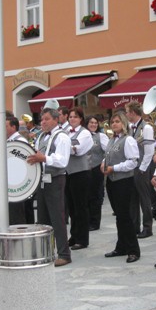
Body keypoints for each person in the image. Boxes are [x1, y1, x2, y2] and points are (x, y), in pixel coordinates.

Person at [27, 108, 72, 266]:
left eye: (46, 119)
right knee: (43, 218)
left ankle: (64, 254)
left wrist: (44, 158)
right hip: (42, 180)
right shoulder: (41, 136)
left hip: (55, 179)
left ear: (55, 120)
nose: (43, 122)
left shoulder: (62, 137)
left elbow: (62, 161)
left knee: (57, 218)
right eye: (41, 119)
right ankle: (46, 251)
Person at [102, 112, 141, 263]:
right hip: (112, 181)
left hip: (124, 181)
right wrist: (103, 164)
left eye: (117, 121)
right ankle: (121, 246)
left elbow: (133, 162)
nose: (114, 124)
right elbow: (107, 156)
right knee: (119, 215)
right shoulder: (112, 139)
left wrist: (114, 168)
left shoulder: (128, 140)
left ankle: (133, 250)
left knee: (125, 216)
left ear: (123, 123)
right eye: (112, 122)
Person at [125, 101, 155, 238]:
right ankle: (135, 226)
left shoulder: (146, 128)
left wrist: (143, 168)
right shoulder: (131, 128)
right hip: (133, 166)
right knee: (133, 199)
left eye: (127, 112)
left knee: (144, 198)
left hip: (142, 167)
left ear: (132, 113)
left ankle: (148, 228)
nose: (126, 114)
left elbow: (149, 151)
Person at [65, 107, 93, 250]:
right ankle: (74, 235)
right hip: (69, 173)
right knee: (71, 207)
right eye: (70, 117)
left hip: (81, 172)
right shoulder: (66, 133)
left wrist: (65, 147)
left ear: (81, 119)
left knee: (80, 207)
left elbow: (78, 150)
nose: (72, 119)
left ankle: (82, 239)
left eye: (75, 117)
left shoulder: (85, 133)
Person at [86, 115, 108, 232]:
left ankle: (95, 222)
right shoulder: (83, 135)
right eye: (91, 122)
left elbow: (108, 151)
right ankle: (88, 220)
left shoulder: (101, 136)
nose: (93, 124)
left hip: (96, 169)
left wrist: (104, 162)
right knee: (86, 196)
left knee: (96, 196)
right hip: (85, 169)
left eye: (95, 123)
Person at [6, 117, 27, 224]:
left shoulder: (20, 141)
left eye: (6, 126)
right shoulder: (8, 140)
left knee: (17, 211)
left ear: (14, 127)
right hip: (10, 179)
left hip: (17, 181)